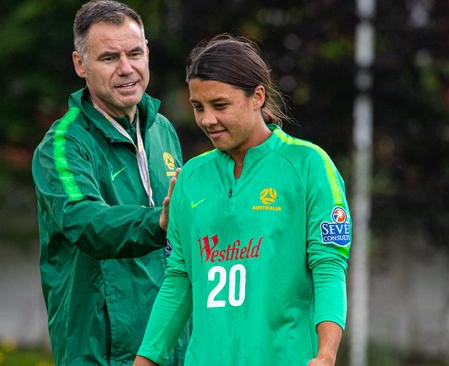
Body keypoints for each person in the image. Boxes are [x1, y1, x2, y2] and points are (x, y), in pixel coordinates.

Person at [134, 35, 352, 366]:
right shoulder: (190, 178)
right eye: (198, 107)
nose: (207, 119)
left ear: (257, 97)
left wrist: (325, 355)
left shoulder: (309, 165)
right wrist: (145, 361)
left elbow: (328, 268)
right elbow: (178, 279)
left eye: (220, 105)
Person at [32, 1, 187, 365]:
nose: (126, 69)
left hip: (169, 345)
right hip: (101, 351)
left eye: (135, 53)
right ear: (80, 65)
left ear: (147, 53)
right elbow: (83, 220)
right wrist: (158, 222)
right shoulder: (63, 146)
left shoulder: (162, 129)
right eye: (109, 58)